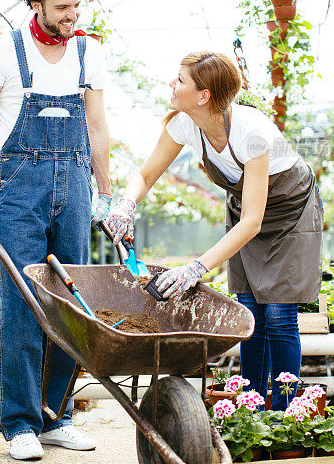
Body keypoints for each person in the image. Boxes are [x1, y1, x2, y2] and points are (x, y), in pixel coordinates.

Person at [106, 52, 323, 410]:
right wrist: (125, 204)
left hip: (290, 214)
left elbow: (253, 222)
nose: (171, 85)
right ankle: (252, 406)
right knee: (251, 311)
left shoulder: (251, 132)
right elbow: (145, 176)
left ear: (203, 95)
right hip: (247, 210)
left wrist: (195, 268)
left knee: (279, 316)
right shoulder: (184, 124)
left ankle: (285, 411)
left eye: (179, 80)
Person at [0, 0, 111, 459]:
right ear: (37, 4)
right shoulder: (4, 51)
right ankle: (20, 424)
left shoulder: (89, 53)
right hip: (21, 190)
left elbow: (97, 129)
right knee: (23, 301)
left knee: (68, 300)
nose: (73, 15)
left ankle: (57, 417)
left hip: (76, 183)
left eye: (76, 5)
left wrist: (105, 194)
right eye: (63, 7)